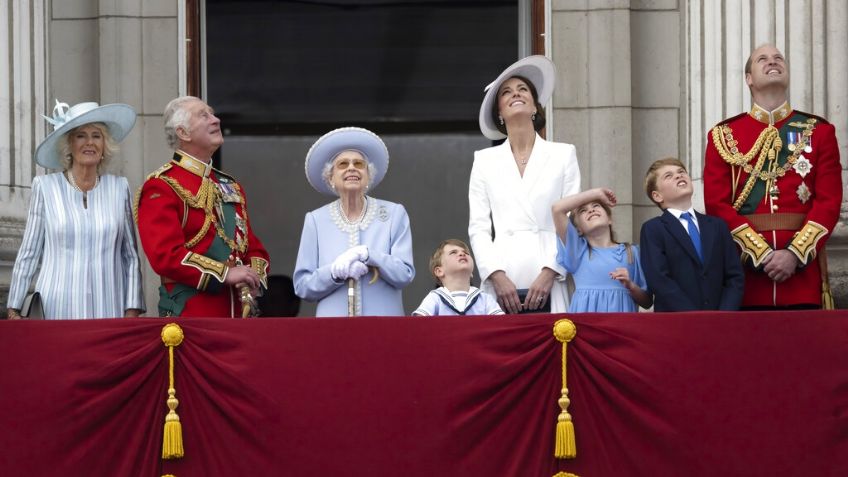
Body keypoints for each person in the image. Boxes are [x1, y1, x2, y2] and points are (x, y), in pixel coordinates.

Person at [703, 44, 843, 309]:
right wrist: (761, 254)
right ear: (749, 79)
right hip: (746, 279)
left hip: (802, 278)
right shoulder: (723, 136)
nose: (773, 61)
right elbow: (717, 205)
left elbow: (829, 202)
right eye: (762, 59)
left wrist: (794, 254)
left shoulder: (819, 132)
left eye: (779, 58)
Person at [5, 100, 145, 319]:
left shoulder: (119, 188)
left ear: (104, 145)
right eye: (81, 135)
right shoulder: (45, 187)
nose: (89, 142)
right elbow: (29, 253)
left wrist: (132, 309)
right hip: (56, 309)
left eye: (96, 136)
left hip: (109, 309)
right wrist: (14, 307)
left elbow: (130, 256)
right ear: (69, 144)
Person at [135, 96, 269, 317]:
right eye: (203, 115)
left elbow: (253, 248)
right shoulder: (161, 185)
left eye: (213, 113)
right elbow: (165, 256)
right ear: (183, 133)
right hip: (192, 316)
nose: (215, 120)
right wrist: (225, 274)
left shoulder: (230, 185)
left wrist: (253, 277)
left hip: (239, 315)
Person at [468, 55, 581, 315]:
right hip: (503, 273)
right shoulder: (484, 160)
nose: (515, 94)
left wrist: (552, 270)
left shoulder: (563, 154)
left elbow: (571, 219)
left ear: (534, 106)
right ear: (499, 111)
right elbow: (479, 227)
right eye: (506, 92)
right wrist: (495, 274)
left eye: (522, 90)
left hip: (549, 272)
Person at [294, 127, 415, 317]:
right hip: (333, 328)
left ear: (368, 176)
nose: (352, 167)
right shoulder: (316, 220)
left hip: (384, 325)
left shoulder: (393, 214)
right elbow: (302, 286)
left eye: (359, 164)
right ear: (330, 178)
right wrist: (333, 272)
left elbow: (404, 274)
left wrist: (369, 255)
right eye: (343, 164)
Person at [640, 158, 744, 312]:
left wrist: (724, 314)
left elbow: (734, 276)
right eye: (668, 176)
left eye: (681, 172)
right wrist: (693, 316)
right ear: (657, 196)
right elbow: (659, 279)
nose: (678, 175)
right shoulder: (653, 229)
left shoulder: (717, 226)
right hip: (677, 322)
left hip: (720, 321)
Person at [552, 188, 651, 313]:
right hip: (587, 326)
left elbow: (647, 302)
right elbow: (557, 209)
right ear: (578, 230)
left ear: (609, 219)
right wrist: (596, 193)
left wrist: (630, 285)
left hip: (620, 325)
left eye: (596, 205)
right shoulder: (577, 252)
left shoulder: (631, 252)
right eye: (583, 210)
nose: (591, 210)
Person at [412, 239, 504, 316]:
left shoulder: (484, 298)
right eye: (453, 252)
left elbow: (500, 324)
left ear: (472, 272)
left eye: (466, 253)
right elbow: (419, 324)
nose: (462, 254)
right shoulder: (435, 298)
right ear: (439, 271)